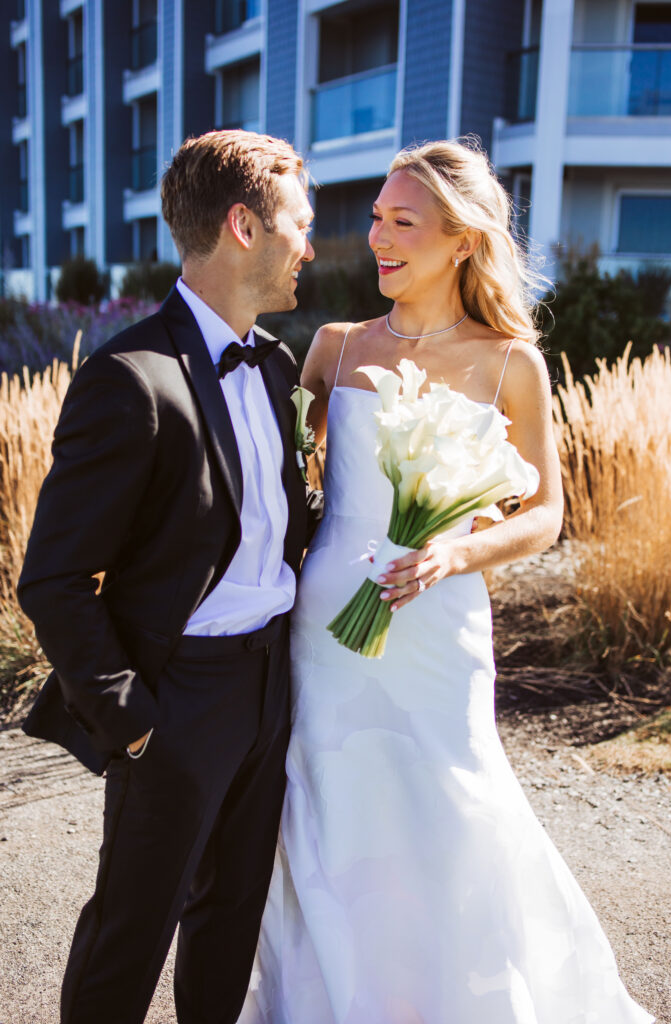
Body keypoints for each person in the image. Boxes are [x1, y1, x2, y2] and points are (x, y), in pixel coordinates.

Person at [238, 140, 654, 1023]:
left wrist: (453, 553)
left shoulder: (512, 362)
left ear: (462, 240)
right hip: (328, 630)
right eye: (377, 218)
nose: (378, 237)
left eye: (403, 222)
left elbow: (544, 515)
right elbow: (280, 487)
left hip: (439, 627)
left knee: (452, 805)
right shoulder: (334, 349)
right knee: (331, 810)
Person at [18, 129, 320, 1024]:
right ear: (242, 226)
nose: (309, 244)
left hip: (271, 681)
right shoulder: (129, 377)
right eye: (297, 224)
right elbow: (55, 577)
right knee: (132, 931)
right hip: (177, 699)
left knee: (231, 919)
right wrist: (133, 724)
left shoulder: (273, 365)